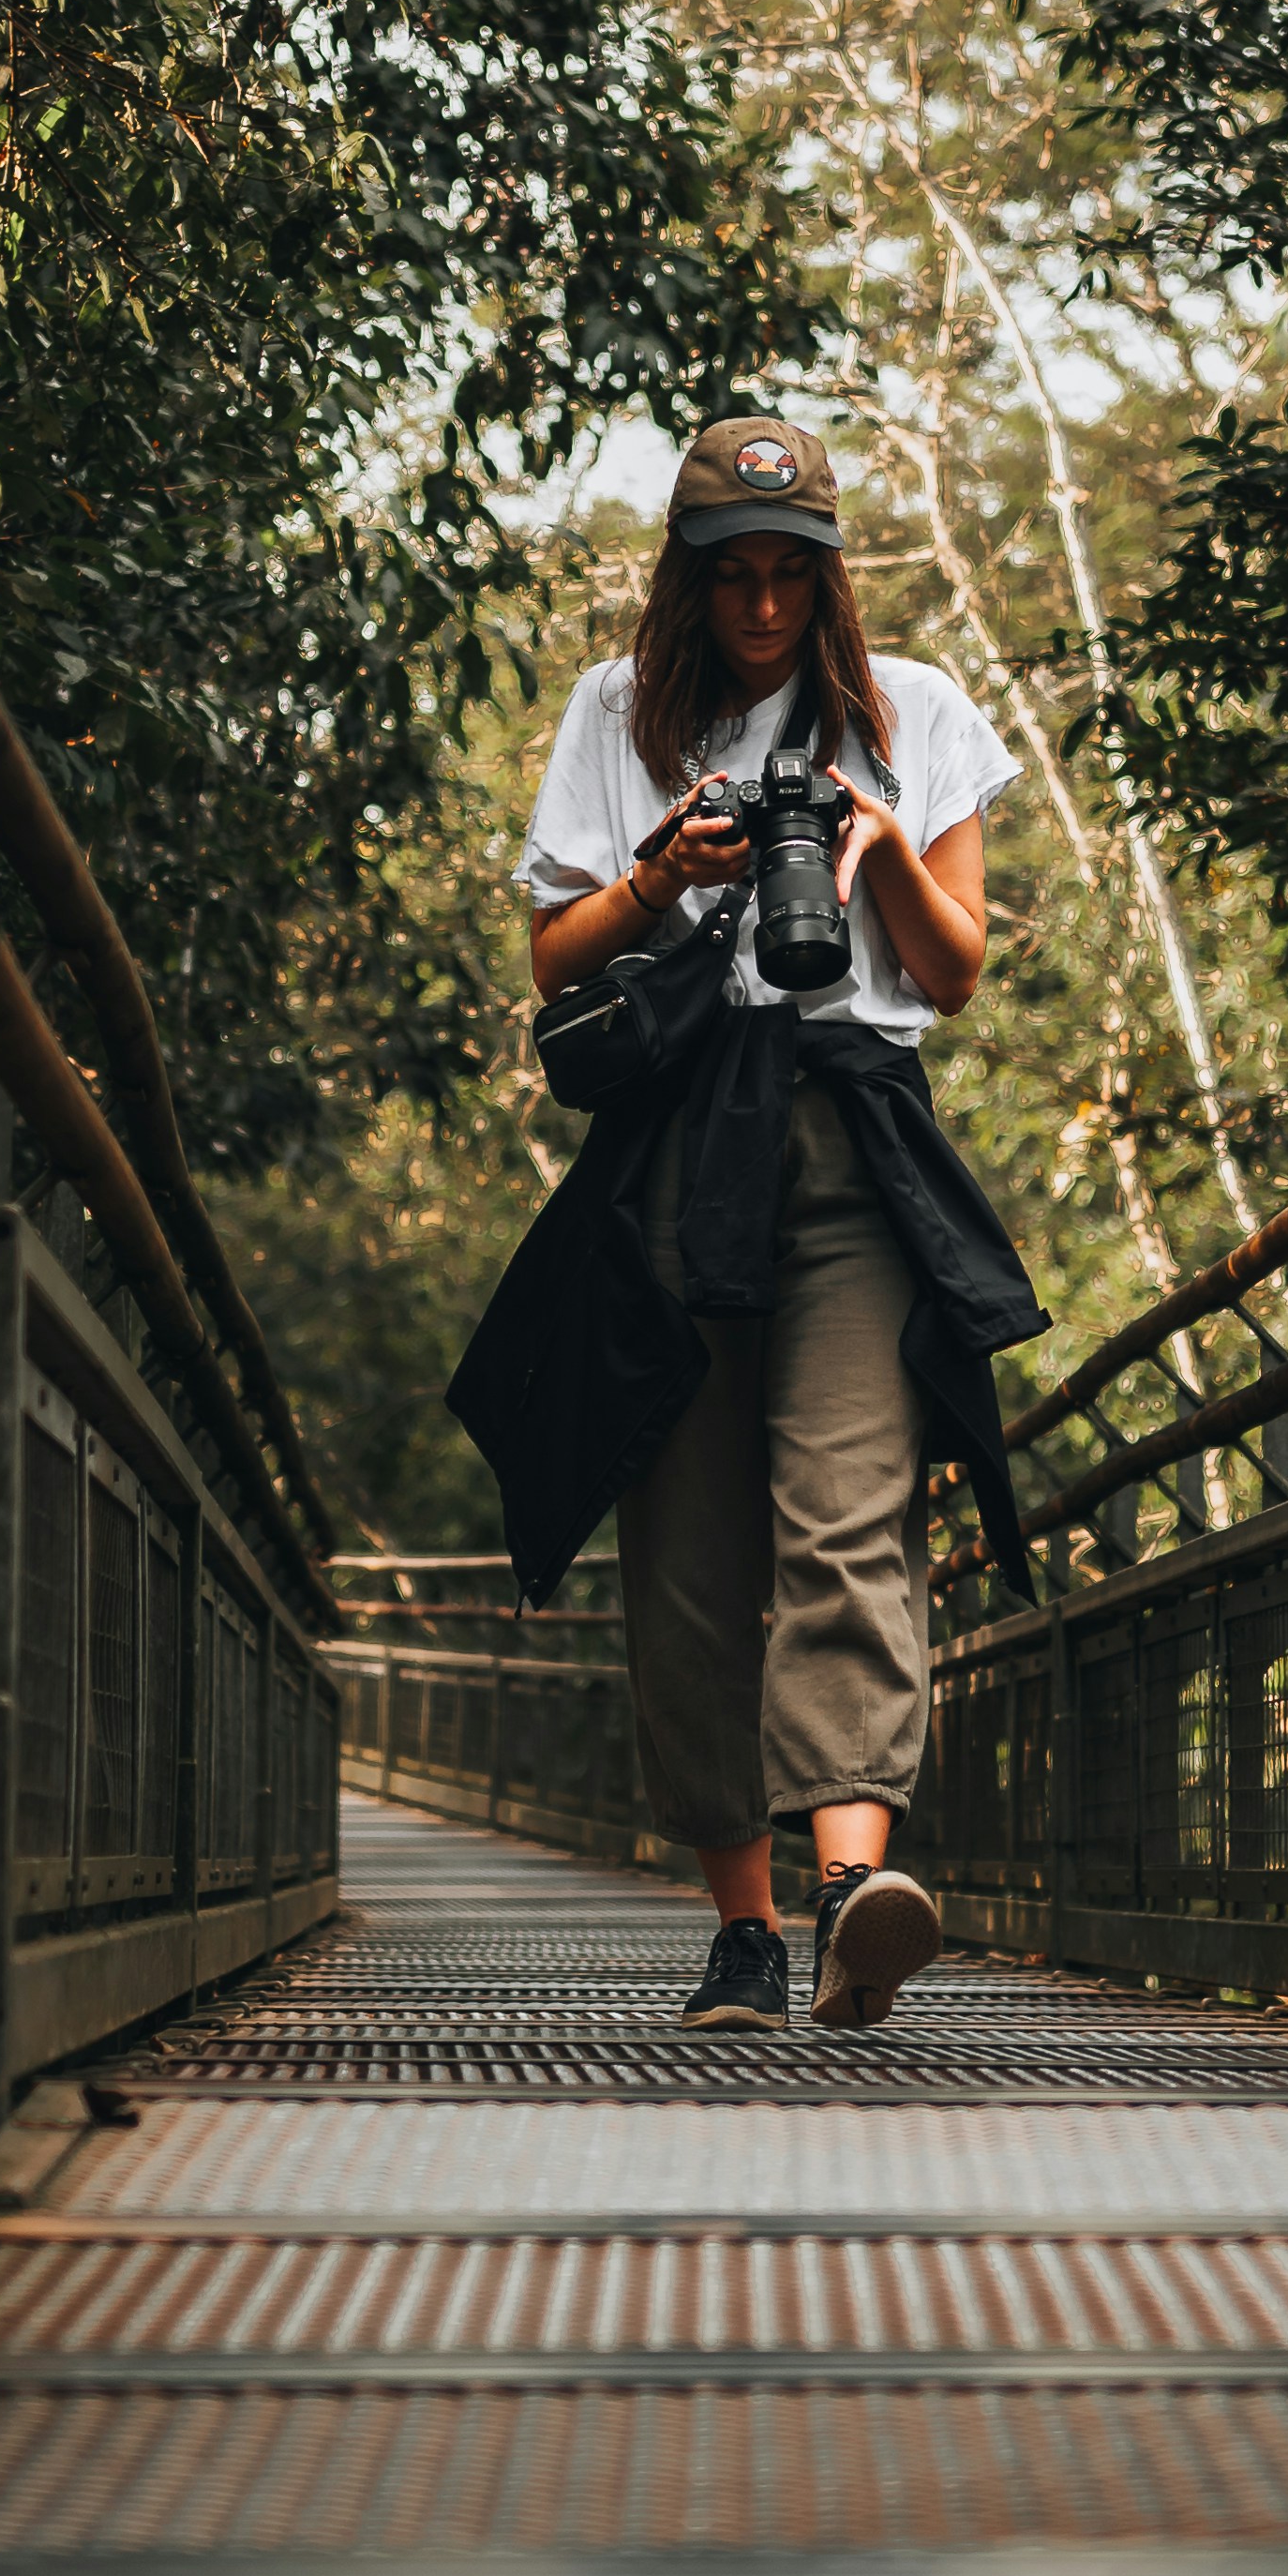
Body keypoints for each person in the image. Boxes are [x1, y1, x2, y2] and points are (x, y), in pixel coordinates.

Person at [448, 414, 1046, 2032]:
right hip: (670, 1155)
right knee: (692, 1547)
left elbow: (953, 970)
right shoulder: (616, 714)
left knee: (851, 1506)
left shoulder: (910, 711)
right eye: (735, 578)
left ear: (830, 577)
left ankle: (857, 1889)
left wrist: (871, 852)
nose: (764, 609)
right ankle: (740, 1928)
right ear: (689, 579)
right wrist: (663, 879)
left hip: (852, 1138)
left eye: (792, 577)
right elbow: (553, 962)